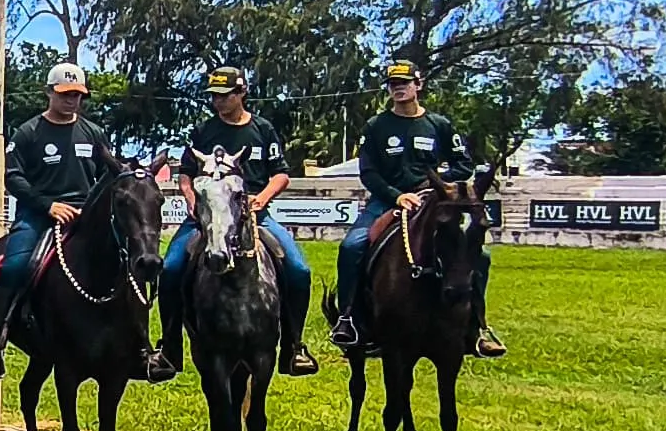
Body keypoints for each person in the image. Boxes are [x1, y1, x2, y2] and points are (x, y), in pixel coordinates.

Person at [333, 59, 506, 359]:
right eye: (393, 84)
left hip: (433, 201)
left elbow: (462, 164)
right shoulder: (376, 127)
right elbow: (369, 172)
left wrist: (435, 186)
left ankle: (477, 326)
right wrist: (396, 195)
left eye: (404, 82)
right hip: (386, 202)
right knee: (352, 246)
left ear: (418, 85)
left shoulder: (439, 125)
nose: (399, 88)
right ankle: (350, 318)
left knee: (481, 256)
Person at [162, 66, 323, 376]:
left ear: (242, 93)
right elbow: (185, 174)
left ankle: (294, 346)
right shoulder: (202, 132)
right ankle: (169, 348)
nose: (218, 102)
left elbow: (281, 174)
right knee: (170, 270)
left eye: (225, 96)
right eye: (214, 97)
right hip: (207, 219)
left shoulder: (263, 130)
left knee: (299, 270)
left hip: (256, 218)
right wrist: (192, 200)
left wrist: (261, 199)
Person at [0, 62, 118, 383]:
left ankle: (137, 346)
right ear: (48, 93)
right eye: (65, 95)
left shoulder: (94, 134)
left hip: (85, 216)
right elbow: (13, 177)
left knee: (128, 259)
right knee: (13, 266)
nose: (71, 101)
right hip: (38, 214)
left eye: (77, 95)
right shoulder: (28, 133)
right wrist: (48, 205)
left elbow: (109, 175)